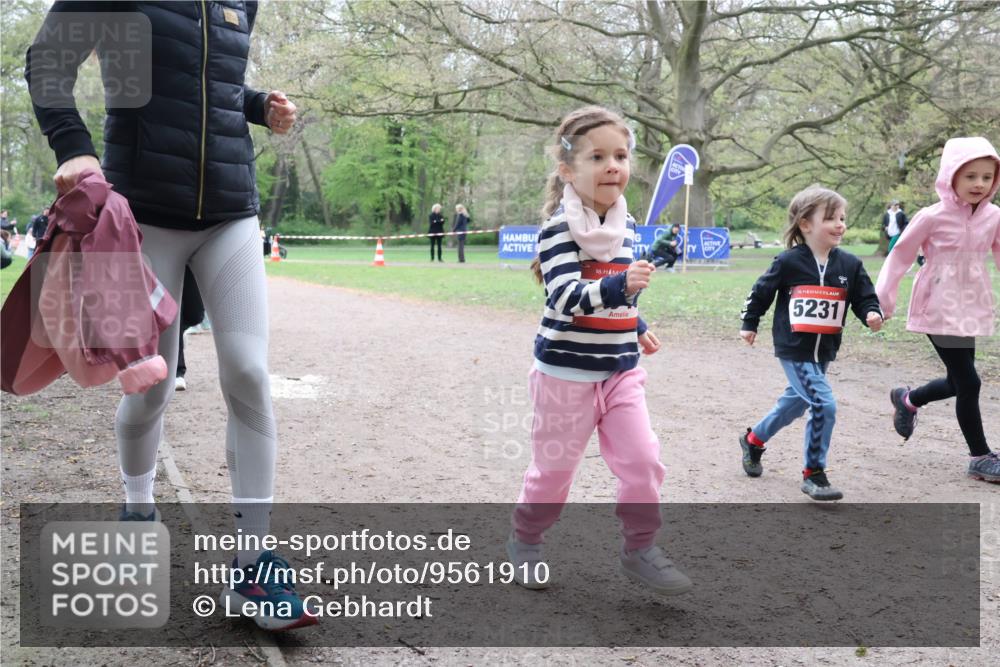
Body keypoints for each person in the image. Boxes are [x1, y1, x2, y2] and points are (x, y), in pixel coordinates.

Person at [26, 1, 316, 630]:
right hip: (142, 214)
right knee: (151, 382)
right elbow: (48, 60)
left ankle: (254, 561)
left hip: (232, 209)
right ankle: (138, 507)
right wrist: (73, 147)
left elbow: (205, 82)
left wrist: (257, 104)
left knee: (249, 373)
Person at [507, 106, 691, 596]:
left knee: (644, 461)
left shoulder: (628, 227)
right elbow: (564, 296)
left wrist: (637, 324)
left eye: (621, 155)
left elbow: (619, 292)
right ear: (568, 170)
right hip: (566, 373)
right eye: (598, 156)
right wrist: (619, 291)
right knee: (554, 473)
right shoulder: (557, 231)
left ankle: (640, 549)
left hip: (619, 370)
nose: (614, 165)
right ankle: (525, 542)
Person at [739, 185, 883, 500]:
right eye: (831, 218)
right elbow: (761, 291)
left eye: (843, 218)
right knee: (823, 403)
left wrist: (872, 312)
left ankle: (753, 439)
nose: (840, 224)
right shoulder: (789, 261)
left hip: (825, 349)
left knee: (795, 403)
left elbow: (864, 296)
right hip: (794, 349)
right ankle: (814, 473)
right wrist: (749, 323)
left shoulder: (849, 264)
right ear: (806, 224)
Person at [876, 137, 1000, 483]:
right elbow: (899, 256)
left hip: (972, 302)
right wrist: (883, 301)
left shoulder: (994, 216)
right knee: (969, 381)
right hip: (938, 302)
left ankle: (908, 399)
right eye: (970, 175)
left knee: (957, 379)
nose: (979, 184)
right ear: (951, 176)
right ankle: (979, 456)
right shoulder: (931, 216)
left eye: (987, 177)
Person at [174, 266, 206, 392]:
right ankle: (178, 372)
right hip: (165, 254)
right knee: (176, 314)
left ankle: (179, 331)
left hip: (190, 263)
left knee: (196, 316)